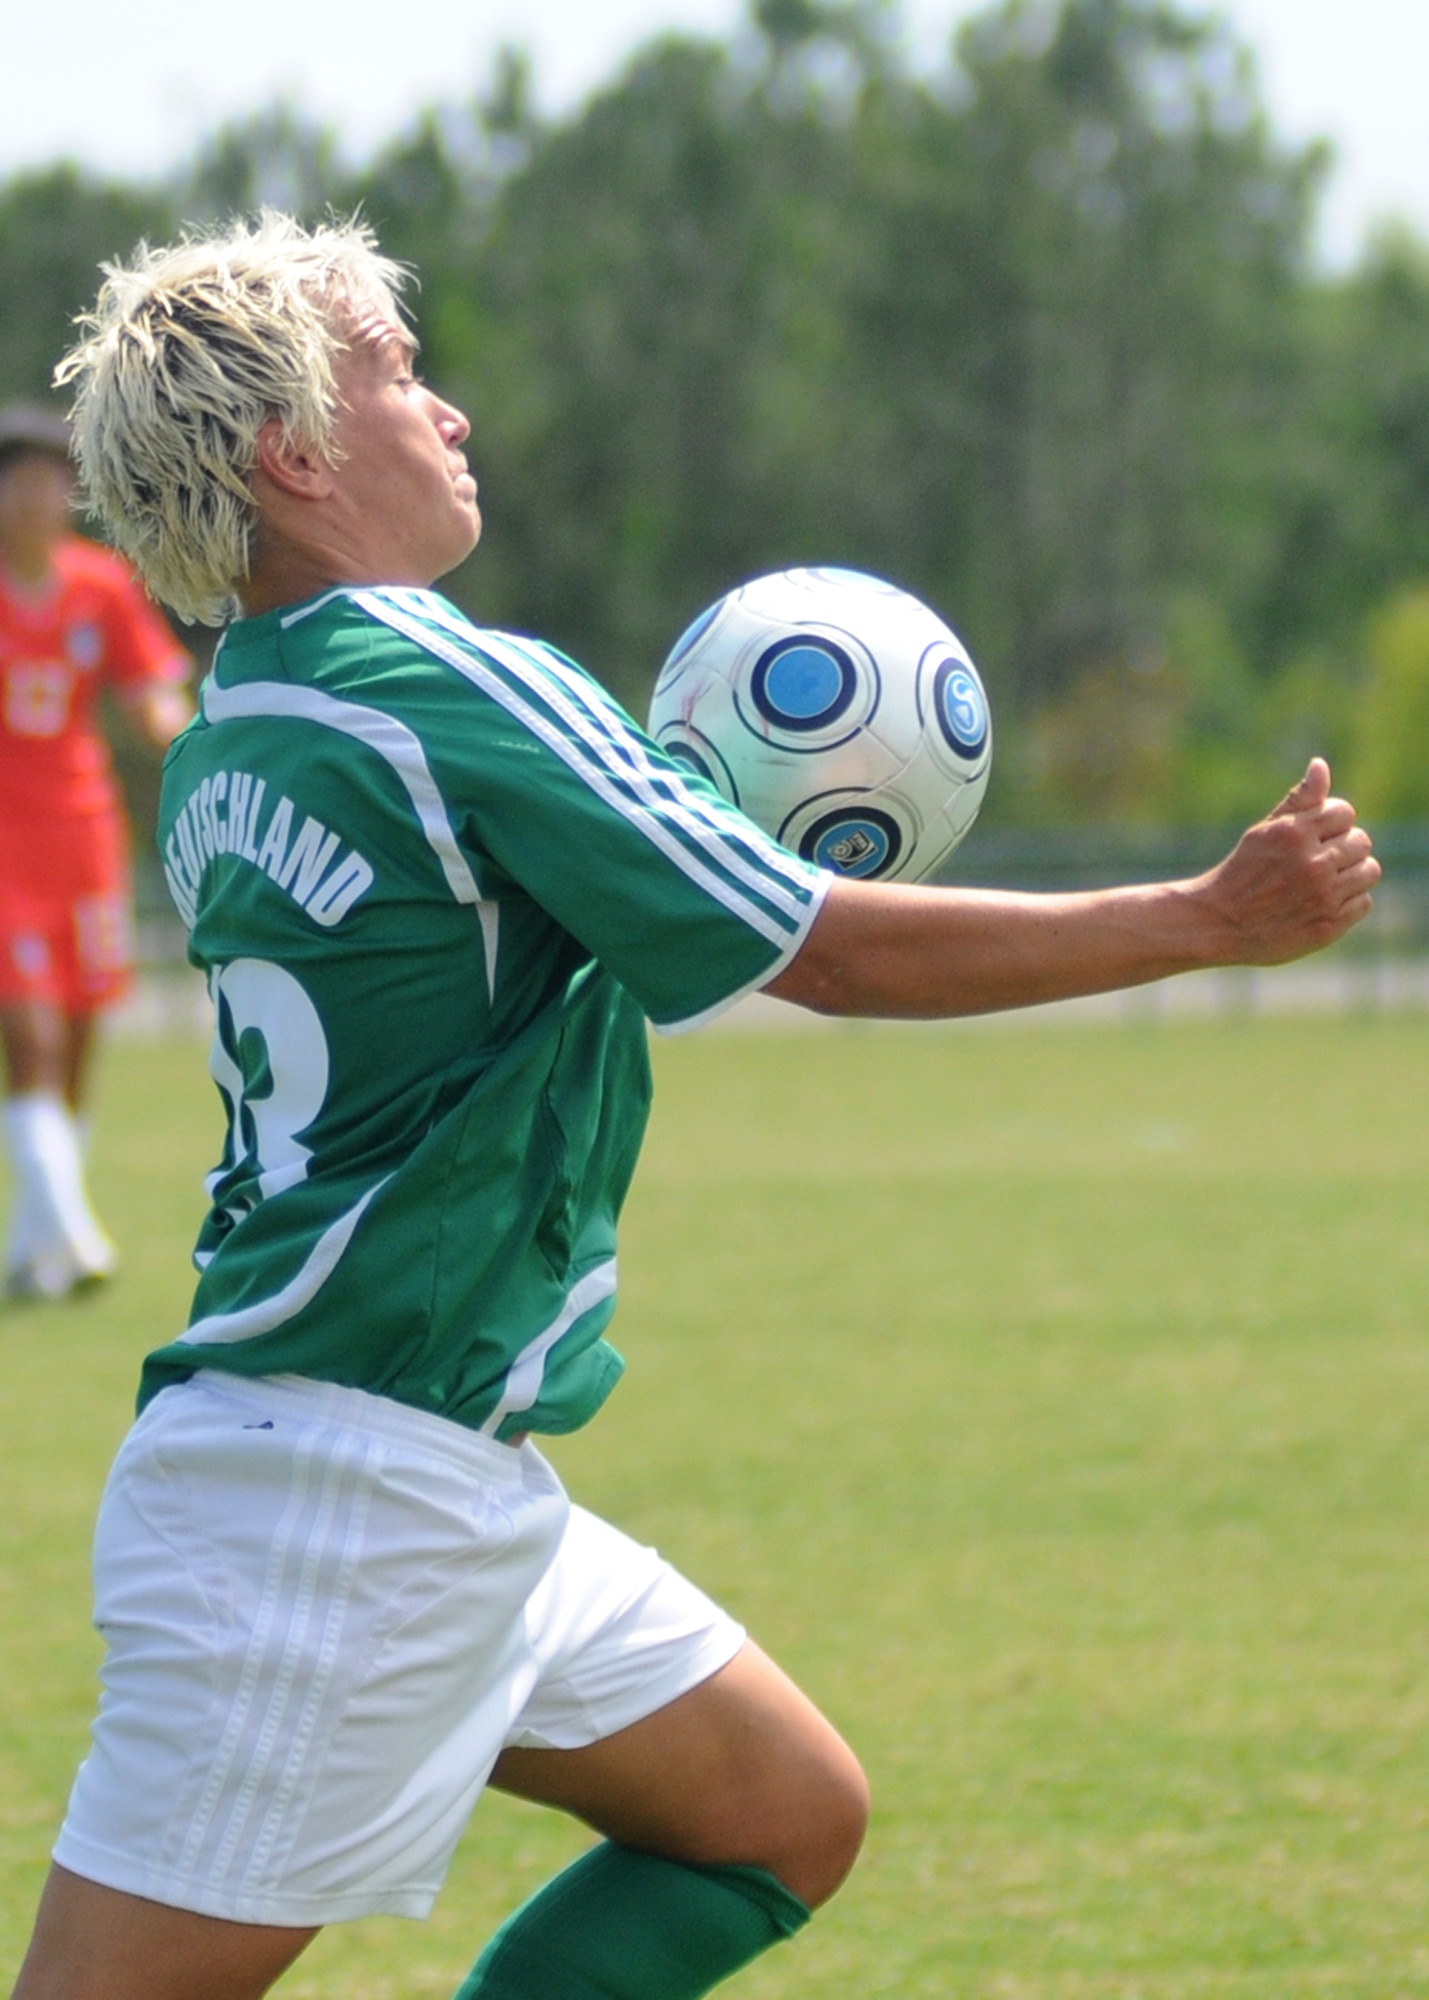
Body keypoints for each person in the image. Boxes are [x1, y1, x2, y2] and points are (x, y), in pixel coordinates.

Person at [7, 213, 1378, 2000]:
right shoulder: (442, 679)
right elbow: (813, 952)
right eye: (400, 376)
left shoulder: (238, 728)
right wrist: (1199, 920)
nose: (451, 413)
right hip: (339, 1513)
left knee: (775, 1814)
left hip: (398, 1462)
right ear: (294, 456)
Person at [0, 402, 192, 1301]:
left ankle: (36, 1245)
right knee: (29, 1032)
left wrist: (189, 743)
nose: (38, 498)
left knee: (78, 1038)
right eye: (20, 481)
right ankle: (74, 1234)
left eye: (50, 480)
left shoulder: (101, 587)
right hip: (5, 845)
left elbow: (152, 690)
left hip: (82, 839)